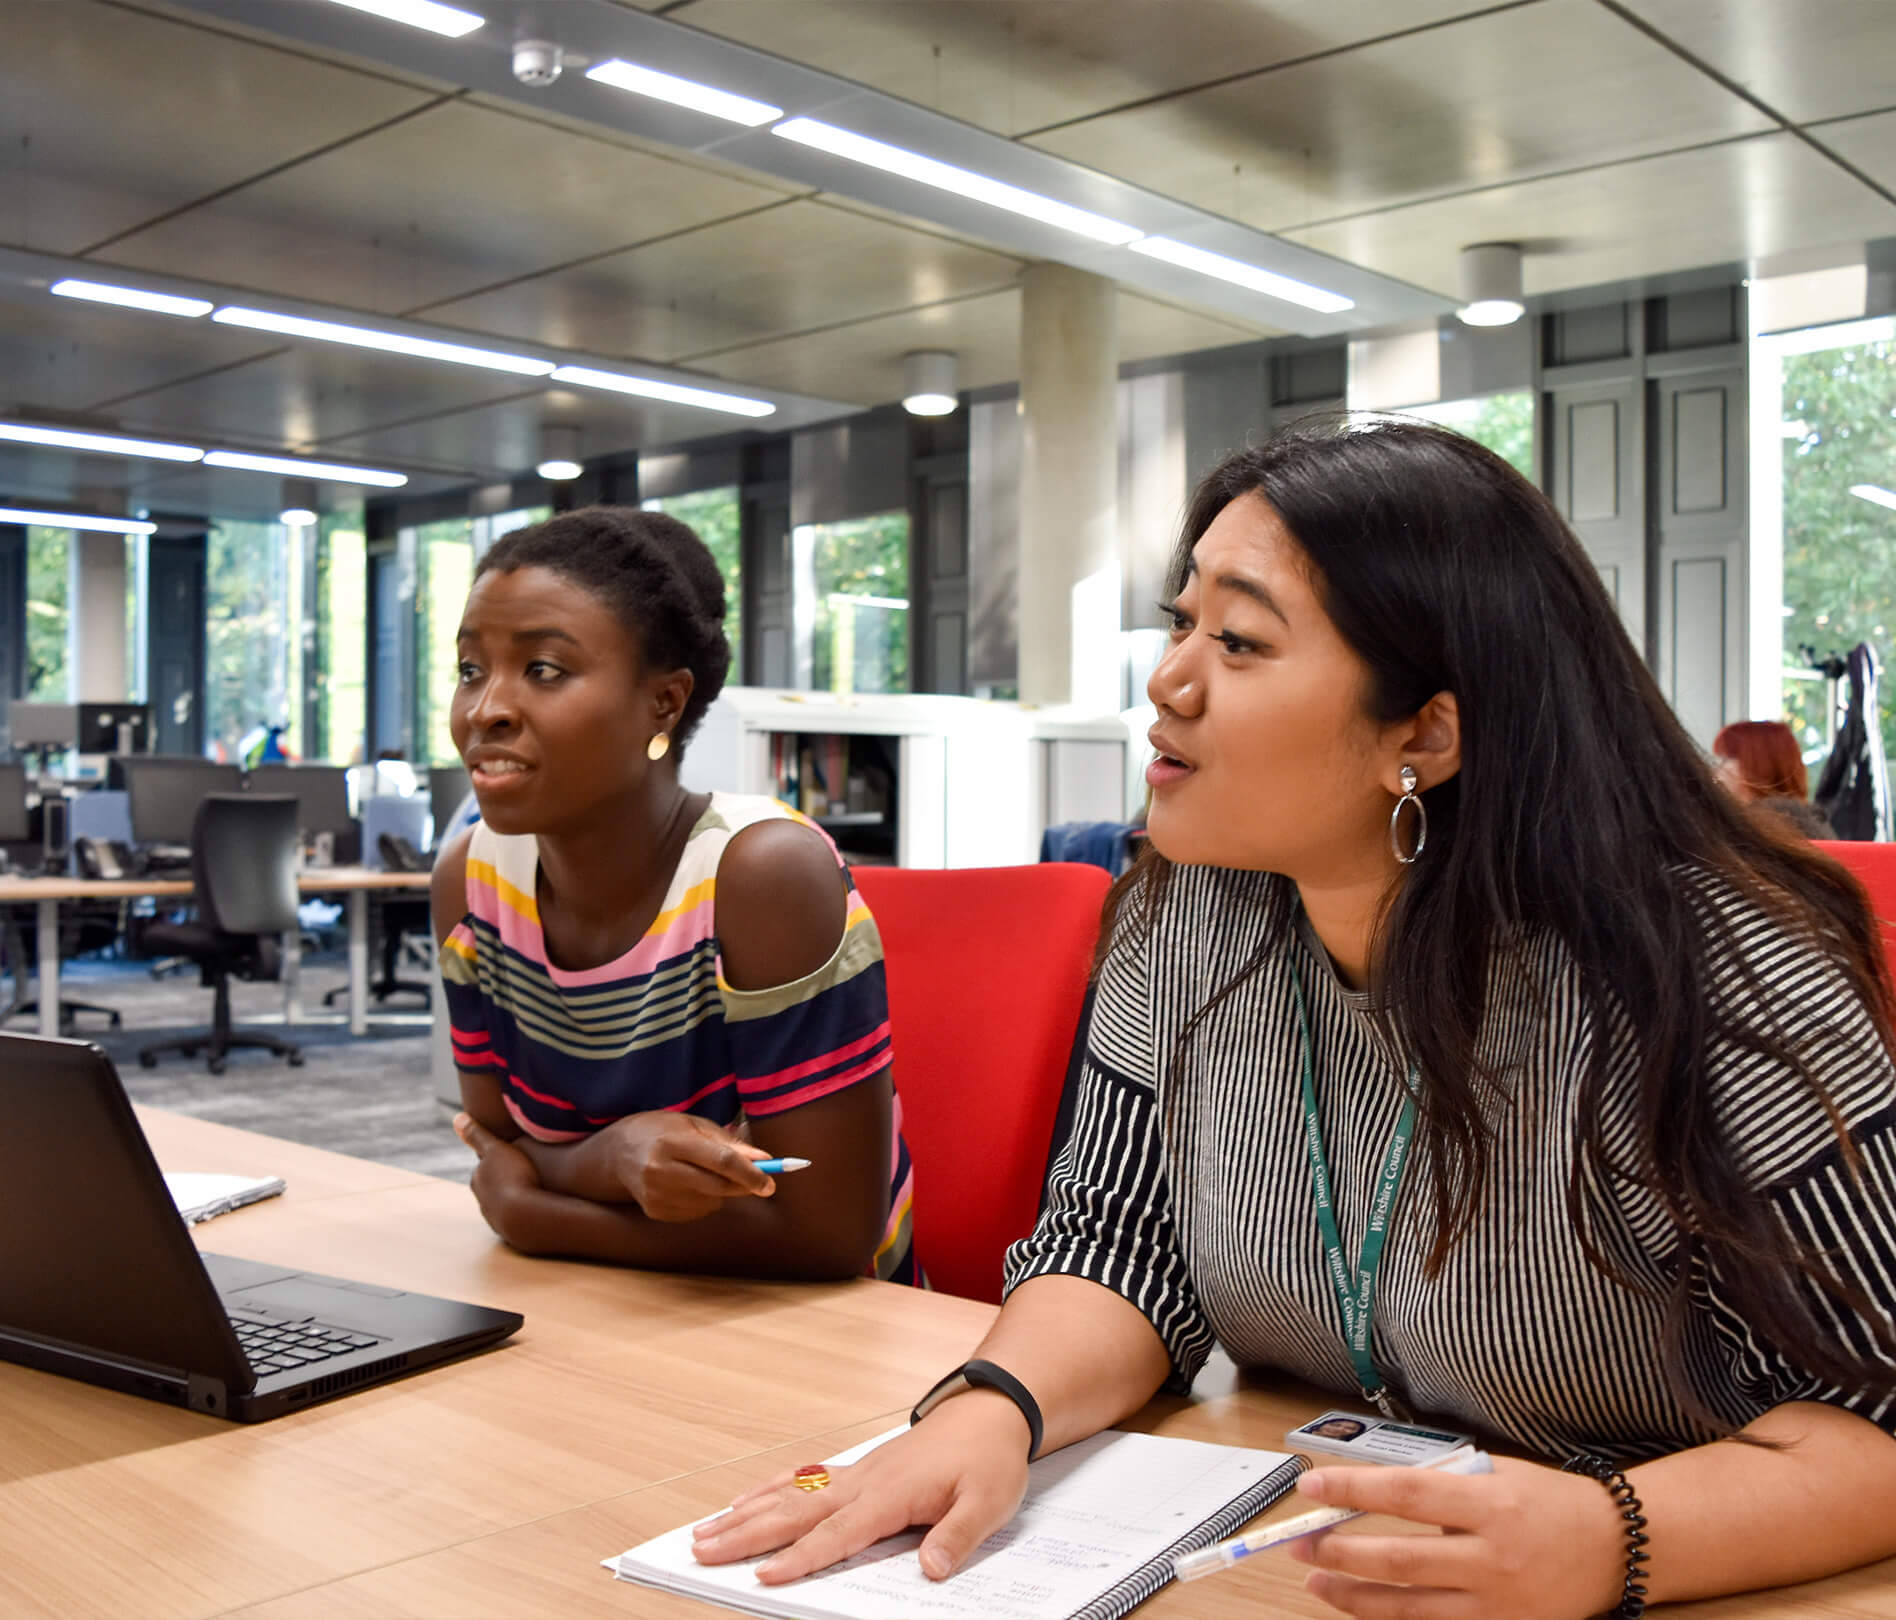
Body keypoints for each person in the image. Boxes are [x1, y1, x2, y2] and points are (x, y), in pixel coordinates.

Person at [691, 419, 1896, 1615]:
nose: (1167, 678)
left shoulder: (1713, 975)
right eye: (1179, 622)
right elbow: (1117, 1250)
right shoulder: (1185, 909)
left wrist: (1611, 1540)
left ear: (1423, 733)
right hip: (1321, 1550)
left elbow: (1875, 1422)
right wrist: (991, 1405)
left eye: (1241, 640)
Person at [432, 506, 915, 1283]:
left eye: (544, 670)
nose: (486, 708)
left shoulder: (762, 876)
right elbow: (495, 1150)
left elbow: (831, 1231)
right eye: (469, 669)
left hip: (820, 1336)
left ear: (664, 702)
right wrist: (610, 1161)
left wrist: (538, 1214)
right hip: (596, 1306)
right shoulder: (473, 882)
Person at [1713, 719, 1836, 839]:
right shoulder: (1811, 823)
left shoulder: (1758, 831)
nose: (1716, 770)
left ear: (1757, 765)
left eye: (1725, 759)